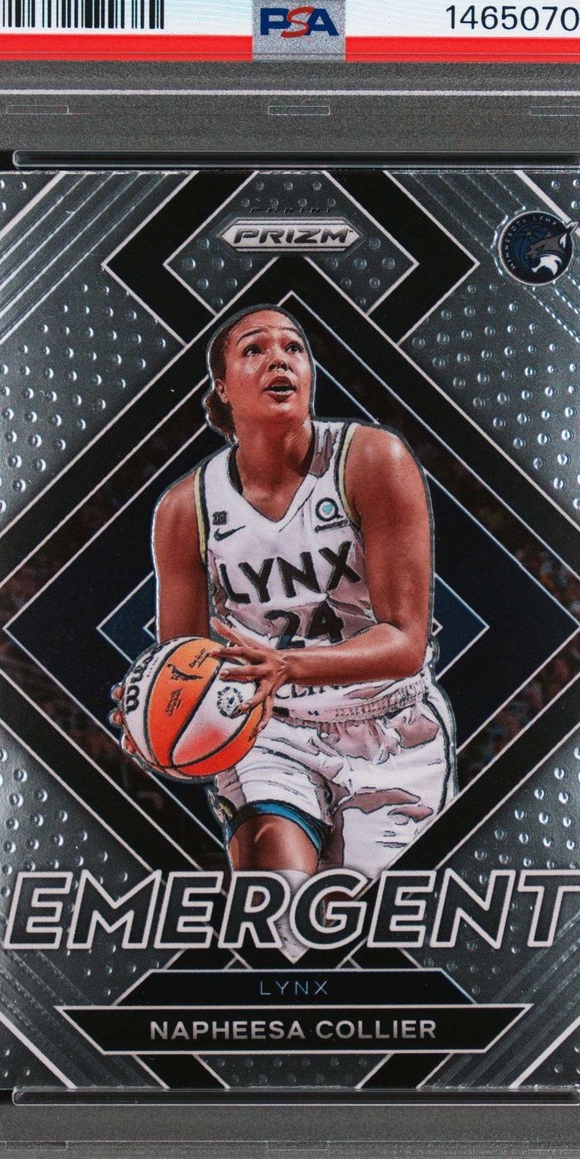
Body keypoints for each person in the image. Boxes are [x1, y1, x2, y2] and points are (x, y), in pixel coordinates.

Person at [112, 303, 457, 957]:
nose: (280, 359)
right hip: (268, 728)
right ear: (222, 387)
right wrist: (152, 719)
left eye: (294, 348)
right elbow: (183, 657)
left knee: (364, 943)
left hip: (389, 726)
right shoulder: (186, 508)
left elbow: (406, 642)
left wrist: (288, 666)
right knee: (284, 920)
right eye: (255, 349)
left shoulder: (371, 460)